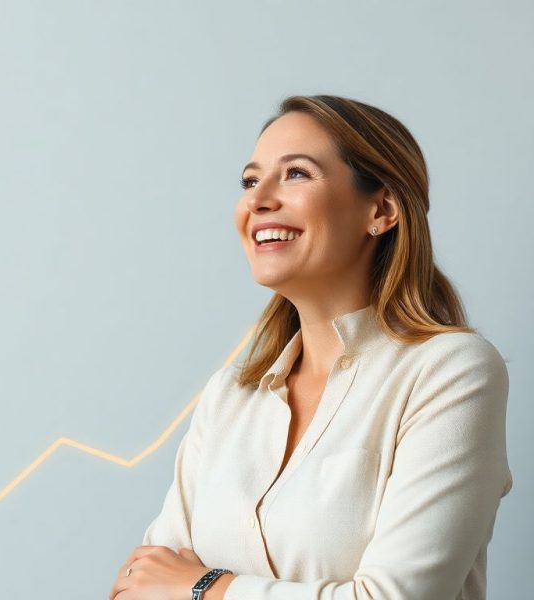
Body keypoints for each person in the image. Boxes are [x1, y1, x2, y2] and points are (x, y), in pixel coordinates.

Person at [108, 94, 512, 600]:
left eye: (296, 174)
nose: (257, 200)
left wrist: (207, 588)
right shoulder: (231, 394)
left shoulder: (451, 372)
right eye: (250, 180)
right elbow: (138, 586)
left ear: (382, 209)